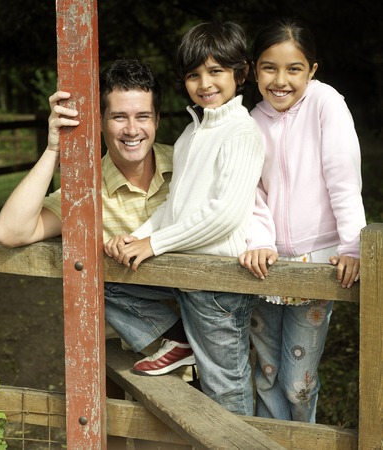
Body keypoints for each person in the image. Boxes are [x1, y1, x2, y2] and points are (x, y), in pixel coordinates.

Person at [0, 59, 196, 376]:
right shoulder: (84, 188)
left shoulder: (190, 164)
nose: (132, 129)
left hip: (213, 335)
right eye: (118, 117)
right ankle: (175, 339)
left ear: (157, 118)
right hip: (150, 361)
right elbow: (10, 232)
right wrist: (53, 150)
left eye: (142, 116)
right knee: (89, 264)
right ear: (99, 121)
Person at [105, 21, 266, 415]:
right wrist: (136, 237)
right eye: (194, 74)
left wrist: (154, 244)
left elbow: (224, 215)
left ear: (240, 74)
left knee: (223, 385)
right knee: (103, 277)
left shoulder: (241, 134)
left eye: (216, 72)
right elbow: (173, 208)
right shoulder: (190, 136)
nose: (204, 83)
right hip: (182, 271)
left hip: (216, 283)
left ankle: (237, 444)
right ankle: (176, 340)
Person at [239, 19, 367, 422]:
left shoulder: (326, 104)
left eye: (294, 68)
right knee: (267, 373)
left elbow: (343, 176)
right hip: (266, 263)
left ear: (312, 70)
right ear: (253, 70)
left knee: (298, 381)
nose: (280, 80)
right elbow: (251, 193)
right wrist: (260, 240)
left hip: (319, 261)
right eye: (269, 67)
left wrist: (351, 246)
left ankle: (305, 439)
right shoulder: (250, 121)